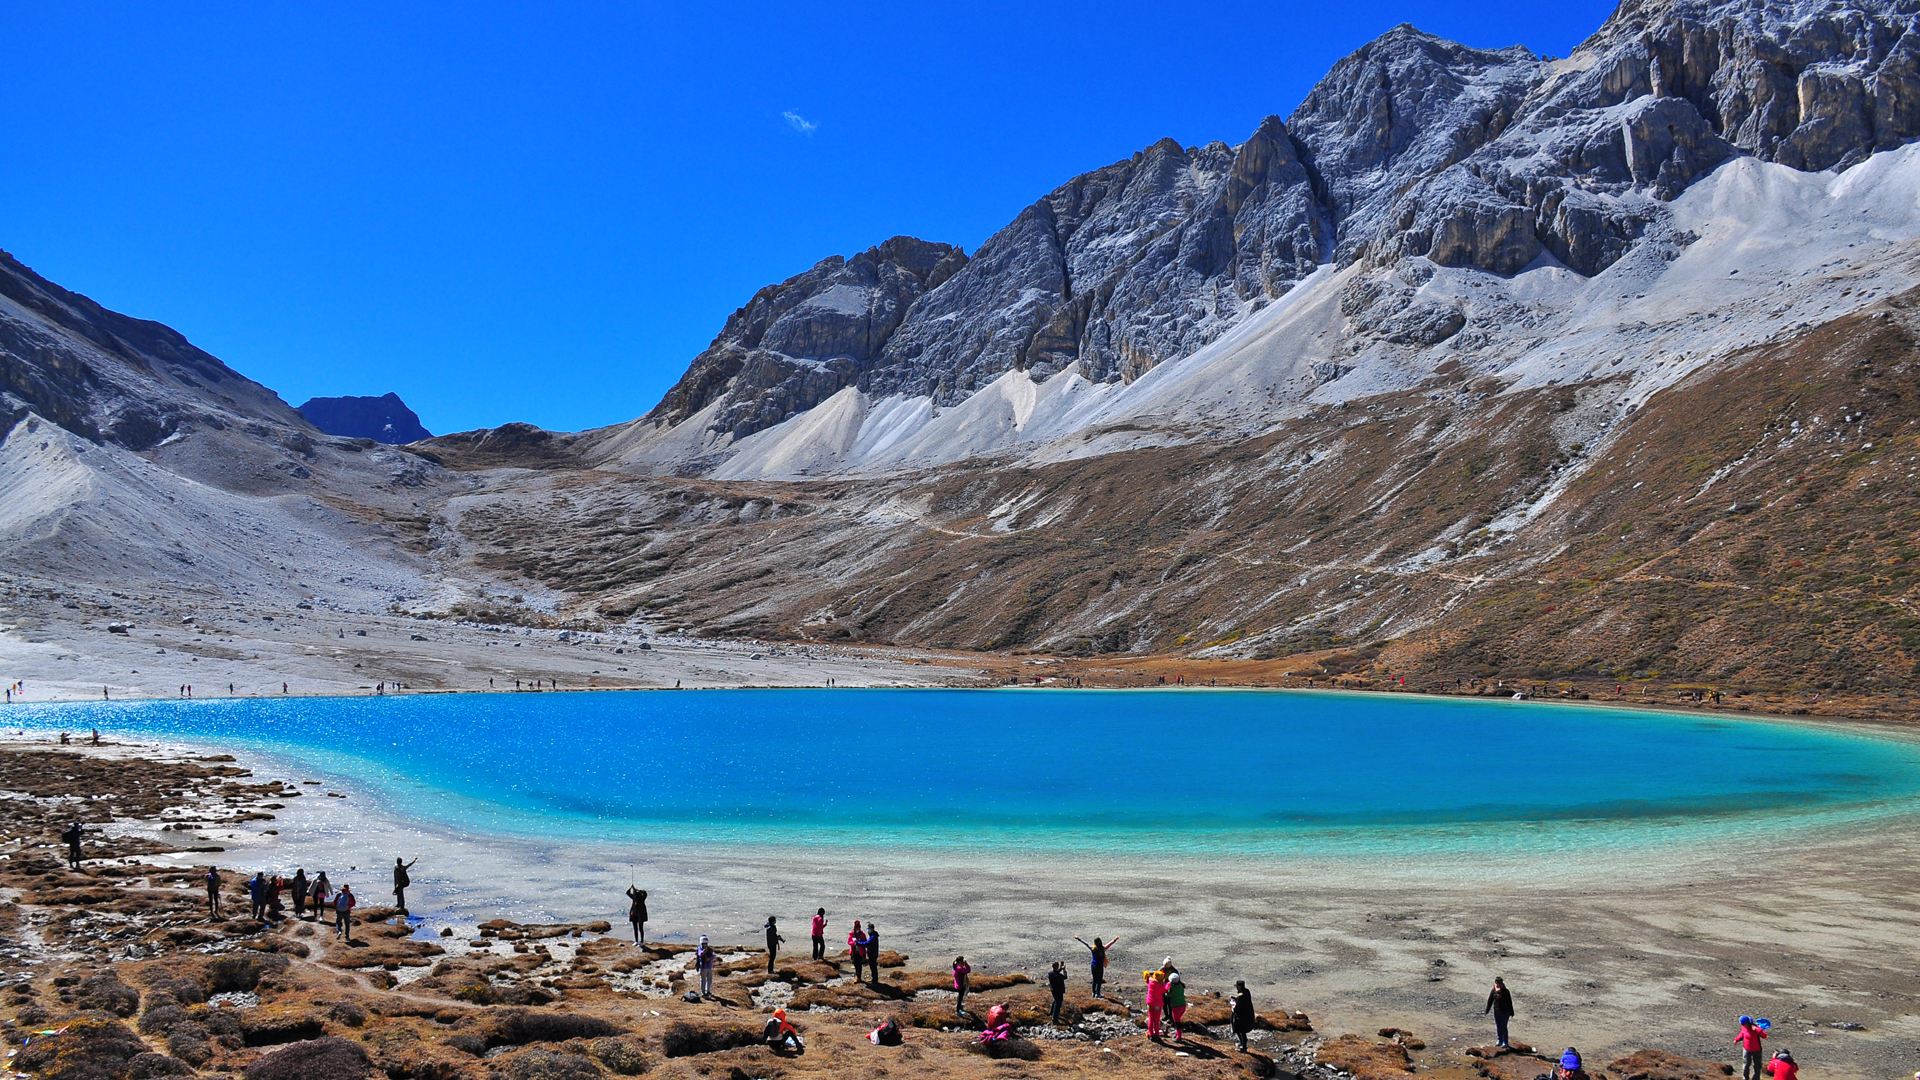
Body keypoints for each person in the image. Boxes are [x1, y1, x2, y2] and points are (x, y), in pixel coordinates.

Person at [1485, 976, 1516, 1049]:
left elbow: (1509, 1002)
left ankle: (1506, 1042)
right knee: (1498, 1026)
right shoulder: (1493, 990)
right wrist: (1487, 1010)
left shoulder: (1506, 991)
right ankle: (1499, 1040)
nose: (1498, 984)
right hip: (1497, 1011)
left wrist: (1512, 1012)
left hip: (1505, 1012)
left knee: (1504, 1026)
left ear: (1502, 983)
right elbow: (1490, 1001)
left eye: (1499, 983)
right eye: (1497, 983)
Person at [1230, 980, 1256, 1051]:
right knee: (1242, 1031)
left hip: (1242, 1017)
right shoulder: (1247, 991)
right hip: (1248, 1015)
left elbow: (1237, 1007)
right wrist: (1236, 998)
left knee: (1239, 1030)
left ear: (1239, 987)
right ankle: (1243, 1044)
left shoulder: (1241, 996)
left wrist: (1233, 1006)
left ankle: (1243, 1046)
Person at [1143, 969, 1168, 1039]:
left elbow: (1148, 977)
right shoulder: (1160, 985)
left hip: (1150, 1003)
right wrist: (1167, 984)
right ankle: (1156, 1034)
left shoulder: (1150, 981)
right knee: (1156, 1020)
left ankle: (1151, 1034)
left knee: (1151, 1019)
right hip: (1157, 1004)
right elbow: (1165, 990)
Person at [1166, 970, 1188, 1041]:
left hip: (1176, 1007)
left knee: (1177, 1022)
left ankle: (1179, 1037)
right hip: (1183, 1006)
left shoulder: (1172, 988)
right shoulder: (1181, 985)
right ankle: (1177, 1033)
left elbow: (1168, 995)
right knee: (1178, 1020)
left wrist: (1167, 988)